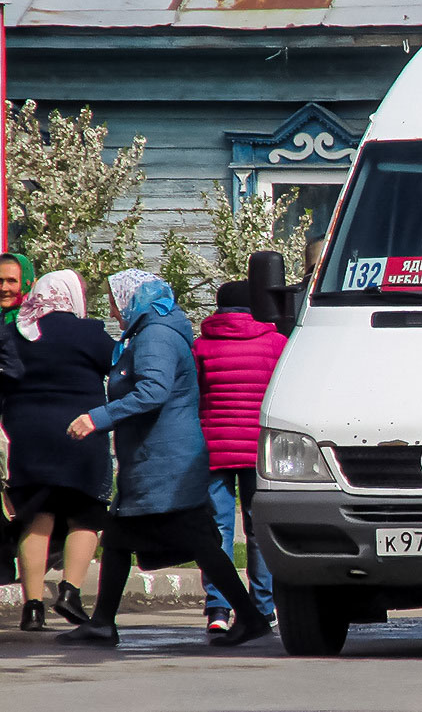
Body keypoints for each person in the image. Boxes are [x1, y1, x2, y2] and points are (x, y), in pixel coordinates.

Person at [58, 270, 272, 647]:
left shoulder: (155, 334)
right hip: (156, 458)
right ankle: (103, 621)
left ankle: (250, 616)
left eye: (115, 298)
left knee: (197, 539)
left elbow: (153, 391)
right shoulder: (155, 329)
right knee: (122, 537)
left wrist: (97, 418)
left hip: (166, 461)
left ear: (132, 298)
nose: (112, 307)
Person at [0, 271, 114, 630]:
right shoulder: (89, 332)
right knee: (85, 514)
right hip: (80, 432)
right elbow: (118, 363)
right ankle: (70, 593)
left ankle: (32, 607)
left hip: (27, 434)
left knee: (37, 514)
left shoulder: (17, 329)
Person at [194, 280, 286, 634]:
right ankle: (263, 607)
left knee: (216, 529)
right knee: (258, 529)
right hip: (257, 449)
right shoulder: (276, 343)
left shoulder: (200, 346)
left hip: (213, 446)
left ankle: (218, 608)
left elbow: (193, 395)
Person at [0, 252, 36, 325]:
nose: (3, 288)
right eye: (0, 281)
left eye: (11, 281)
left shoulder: (37, 324)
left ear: (27, 283)